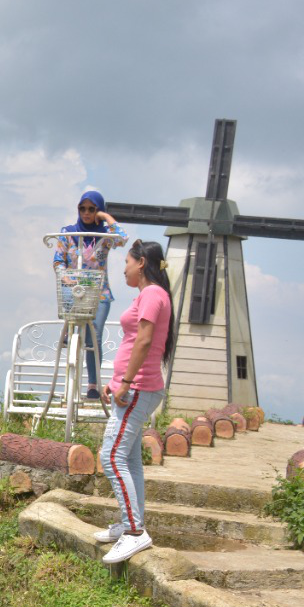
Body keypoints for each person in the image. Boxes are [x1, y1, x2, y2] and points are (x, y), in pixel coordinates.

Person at [94, 240, 175, 564]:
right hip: (132, 388)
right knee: (129, 460)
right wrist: (115, 384)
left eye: (127, 262)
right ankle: (130, 522)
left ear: (141, 263)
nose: (124, 268)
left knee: (110, 457)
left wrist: (125, 383)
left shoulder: (154, 294)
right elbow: (134, 342)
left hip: (139, 388)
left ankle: (134, 532)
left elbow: (143, 340)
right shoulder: (148, 295)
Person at [52, 190, 128, 399]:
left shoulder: (104, 236)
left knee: (94, 334)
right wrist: (65, 277)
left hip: (99, 291)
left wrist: (104, 217)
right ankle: (70, 332)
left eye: (91, 209)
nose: (86, 213)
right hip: (73, 289)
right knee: (76, 329)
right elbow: (58, 260)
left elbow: (123, 238)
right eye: (82, 208)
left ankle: (93, 384)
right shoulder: (69, 233)